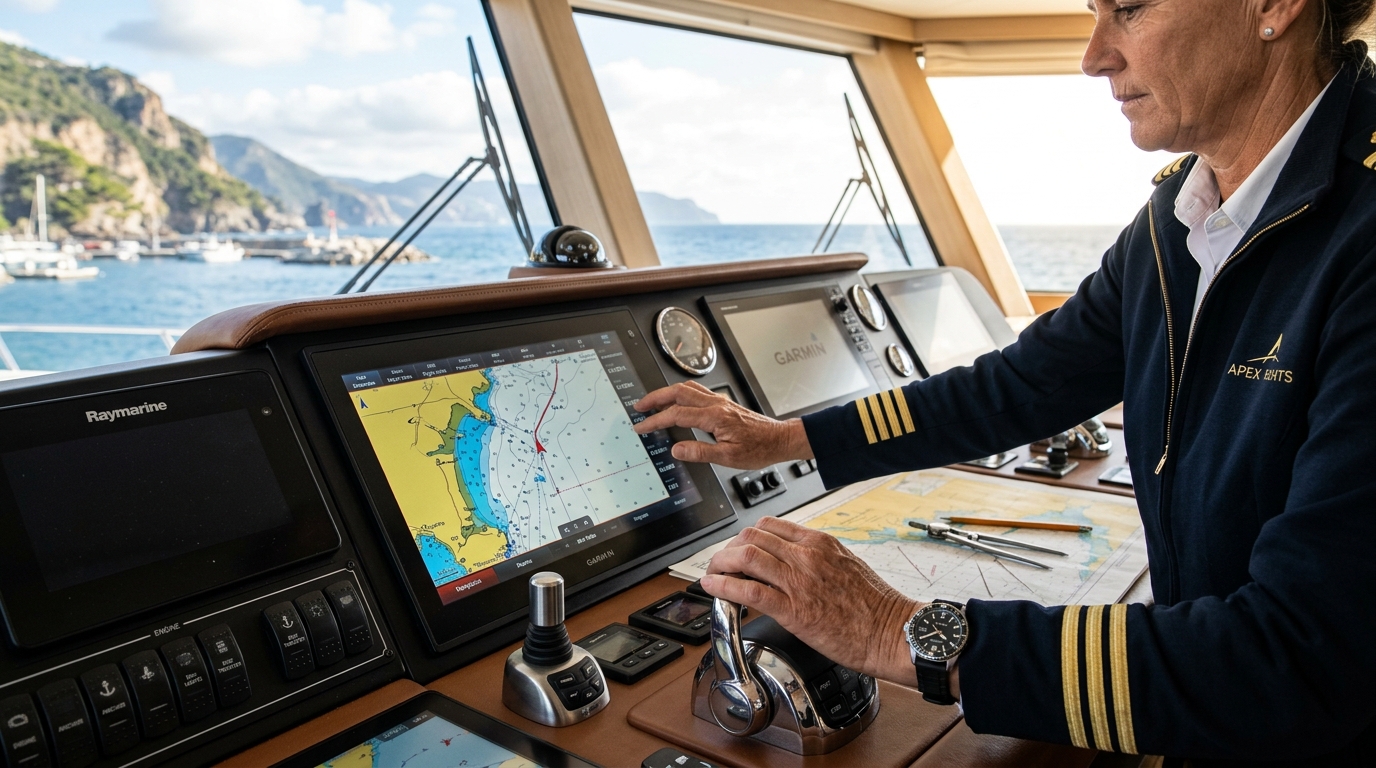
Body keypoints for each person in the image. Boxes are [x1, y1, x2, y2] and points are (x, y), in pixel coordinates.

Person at [632, 0, 1376, 764]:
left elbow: (1298, 662)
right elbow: (1020, 384)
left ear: (1275, 6)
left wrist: (900, 631)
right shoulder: (1181, 215)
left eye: (1129, 9)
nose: (1094, 57)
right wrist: (789, 438)